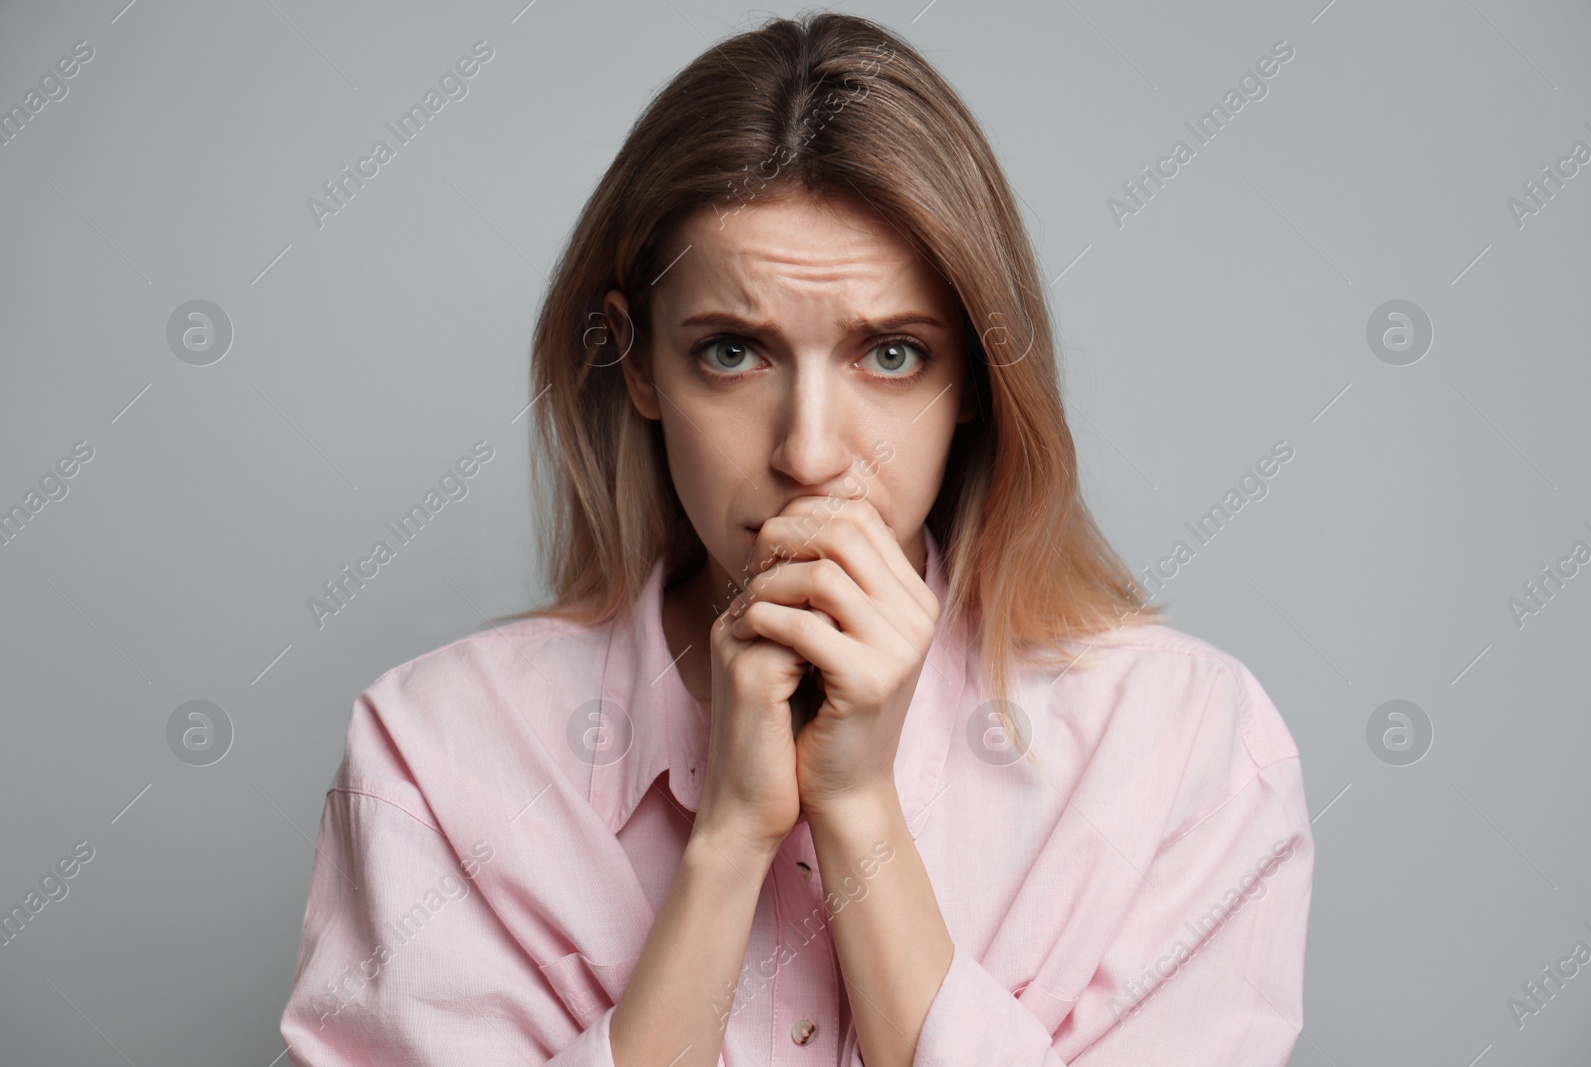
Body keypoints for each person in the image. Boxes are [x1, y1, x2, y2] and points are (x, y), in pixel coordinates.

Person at [278, 11, 1312, 1066]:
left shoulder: (1188, 746)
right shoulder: (435, 758)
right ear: (637, 365)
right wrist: (728, 841)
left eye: (893, 355)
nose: (811, 453)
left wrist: (858, 808)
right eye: (732, 350)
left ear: (974, 383)